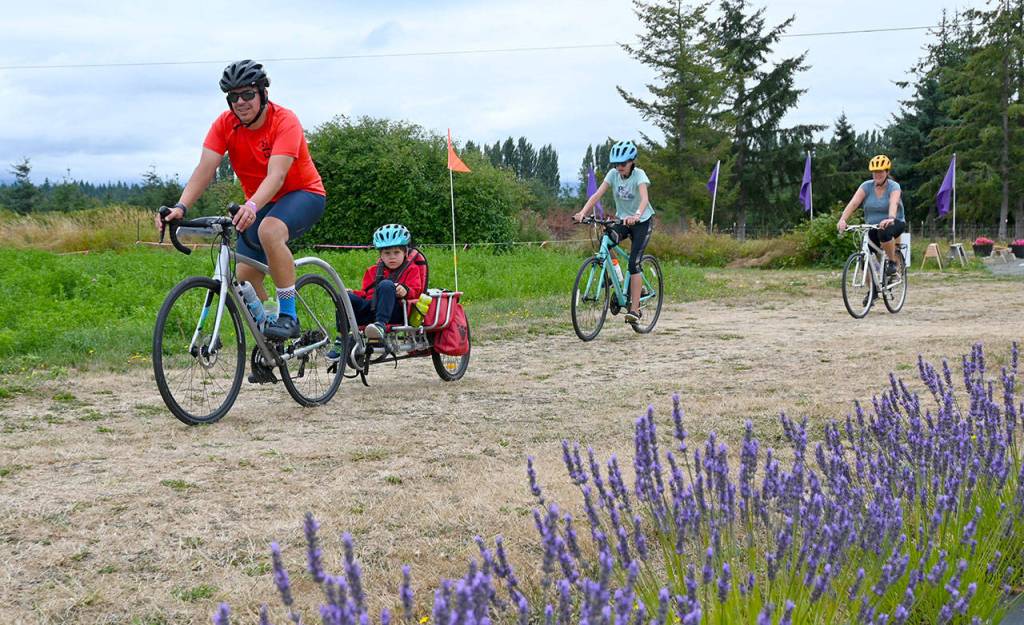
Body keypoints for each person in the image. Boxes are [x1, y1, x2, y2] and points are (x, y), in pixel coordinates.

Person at [155, 59, 326, 340]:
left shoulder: (285, 121)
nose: (241, 102)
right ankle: (273, 337)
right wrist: (181, 206)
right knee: (244, 279)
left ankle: (289, 316)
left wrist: (251, 206)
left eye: (248, 94)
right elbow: (205, 169)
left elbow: (277, 175)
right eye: (234, 97)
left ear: (262, 93)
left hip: (303, 194)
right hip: (260, 202)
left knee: (269, 230)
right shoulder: (225, 125)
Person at [573, 140, 655, 324]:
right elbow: (597, 195)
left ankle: (634, 310)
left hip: (641, 222)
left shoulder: (639, 175)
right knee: (606, 240)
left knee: (634, 263)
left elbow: (644, 199)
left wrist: (637, 215)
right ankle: (616, 279)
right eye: (616, 164)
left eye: (623, 164)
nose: (619, 168)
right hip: (622, 221)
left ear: (632, 162)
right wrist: (582, 212)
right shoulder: (613, 175)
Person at [327, 224, 426, 362]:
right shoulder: (372, 271)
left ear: (405, 252)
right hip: (371, 309)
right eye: (387, 253)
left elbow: (417, 292)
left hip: (394, 311)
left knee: (386, 285)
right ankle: (343, 337)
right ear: (381, 255)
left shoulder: (412, 269)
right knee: (344, 296)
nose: (392, 257)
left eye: (396, 253)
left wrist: (406, 290)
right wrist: (352, 293)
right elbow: (367, 294)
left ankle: (379, 327)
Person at [837, 154, 906, 303]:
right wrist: (843, 219)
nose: (877, 175)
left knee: (884, 232)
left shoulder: (894, 187)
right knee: (864, 258)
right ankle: (873, 290)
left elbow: (893, 203)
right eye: (875, 172)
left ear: (887, 172)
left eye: (881, 171)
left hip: (895, 222)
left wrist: (890, 218)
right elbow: (854, 203)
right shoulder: (866, 186)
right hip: (872, 226)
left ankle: (893, 263)